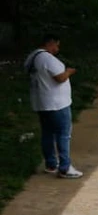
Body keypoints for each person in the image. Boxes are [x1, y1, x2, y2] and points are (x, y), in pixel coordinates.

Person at [26, 34, 82, 179]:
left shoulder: (31, 57)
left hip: (41, 103)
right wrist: (69, 71)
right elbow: (60, 77)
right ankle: (64, 168)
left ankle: (51, 164)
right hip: (57, 104)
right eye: (56, 45)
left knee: (47, 134)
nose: (57, 49)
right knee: (63, 134)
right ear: (49, 43)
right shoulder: (47, 58)